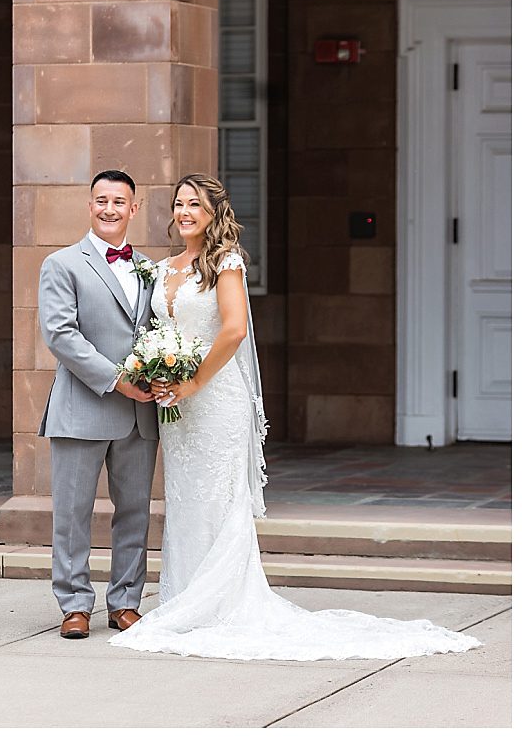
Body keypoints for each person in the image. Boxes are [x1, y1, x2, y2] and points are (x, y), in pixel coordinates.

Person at [108, 173, 479, 660]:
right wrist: (160, 373)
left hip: (217, 400)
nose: (184, 213)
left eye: (195, 205)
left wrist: (194, 381)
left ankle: (220, 605)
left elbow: (235, 329)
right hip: (178, 408)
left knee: (220, 501)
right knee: (186, 501)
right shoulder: (163, 268)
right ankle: (184, 598)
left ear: (214, 211)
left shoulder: (226, 262)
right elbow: (159, 332)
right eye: (178, 204)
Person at [36, 169, 159, 639]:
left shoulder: (150, 268)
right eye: (101, 200)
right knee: (72, 514)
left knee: (135, 511)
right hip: (82, 407)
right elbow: (61, 335)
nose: (110, 209)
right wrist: (118, 380)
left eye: (119, 201)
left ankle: (125, 601)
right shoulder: (62, 263)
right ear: (90, 206)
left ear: (134, 207)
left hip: (138, 415)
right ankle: (74, 605)